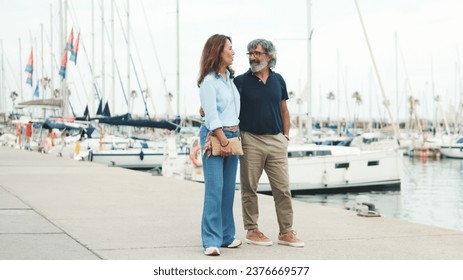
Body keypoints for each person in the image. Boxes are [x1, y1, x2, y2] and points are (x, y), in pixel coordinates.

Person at [233, 38, 304, 247]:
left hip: (276, 141)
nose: (253, 57)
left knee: (282, 189)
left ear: (269, 56)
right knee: (249, 188)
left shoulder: (279, 80)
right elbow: (229, 107)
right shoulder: (240, 82)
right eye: (250, 53)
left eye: (257, 53)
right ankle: (252, 230)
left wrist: (285, 136)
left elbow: (284, 110)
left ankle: (286, 232)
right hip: (250, 140)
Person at [197, 34, 242, 256]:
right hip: (216, 136)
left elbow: (231, 111)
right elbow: (212, 116)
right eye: (230, 49)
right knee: (214, 190)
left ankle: (226, 236)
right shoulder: (208, 81)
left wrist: (233, 137)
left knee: (227, 190)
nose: (234, 52)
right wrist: (222, 138)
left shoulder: (229, 80)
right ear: (218, 52)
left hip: (233, 134)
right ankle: (211, 240)